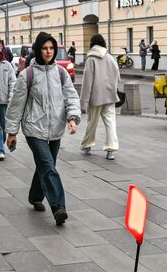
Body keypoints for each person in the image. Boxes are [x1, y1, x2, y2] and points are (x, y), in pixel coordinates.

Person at [7, 32, 81, 226]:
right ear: (38, 50)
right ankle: (59, 208)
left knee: (46, 165)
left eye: (51, 48)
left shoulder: (61, 73)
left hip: (56, 127)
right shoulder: (27, 75)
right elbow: (16, 105)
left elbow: (71, 97)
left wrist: (72, 118)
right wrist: (12, 132)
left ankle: (35, 195)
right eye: (44, 48)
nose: (48, 52)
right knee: (48, 166)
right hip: (33, 128)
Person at [78, 33, 121, 161]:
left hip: (95, 97)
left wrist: (83, 103)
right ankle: (111, 149)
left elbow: (87, 82)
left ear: (92, 44)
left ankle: (87, 145)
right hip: (110, 96)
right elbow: (117, 76)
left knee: (92, 122)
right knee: (110, 123)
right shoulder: (110, 57)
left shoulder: (91, 59)